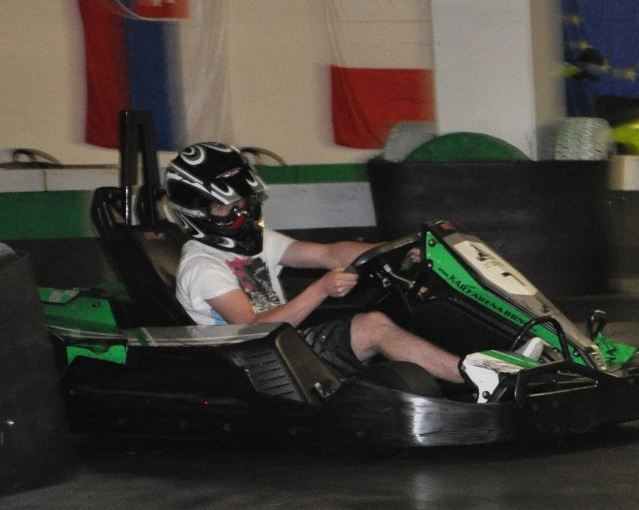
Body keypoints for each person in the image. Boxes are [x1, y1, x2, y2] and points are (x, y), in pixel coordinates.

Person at [164, 141, 504, 394]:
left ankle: (487, 366)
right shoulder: (202, 266)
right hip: (249, 366)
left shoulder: (255, 241)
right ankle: (470, 377)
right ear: (197, 210)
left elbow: (330, 253)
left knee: (393, 310)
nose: (240, 212)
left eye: (241, 202)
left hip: (280, 349)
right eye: (225, 207)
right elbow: (253, 330)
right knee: (372, 327)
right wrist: (320, 289)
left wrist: (397, 248)